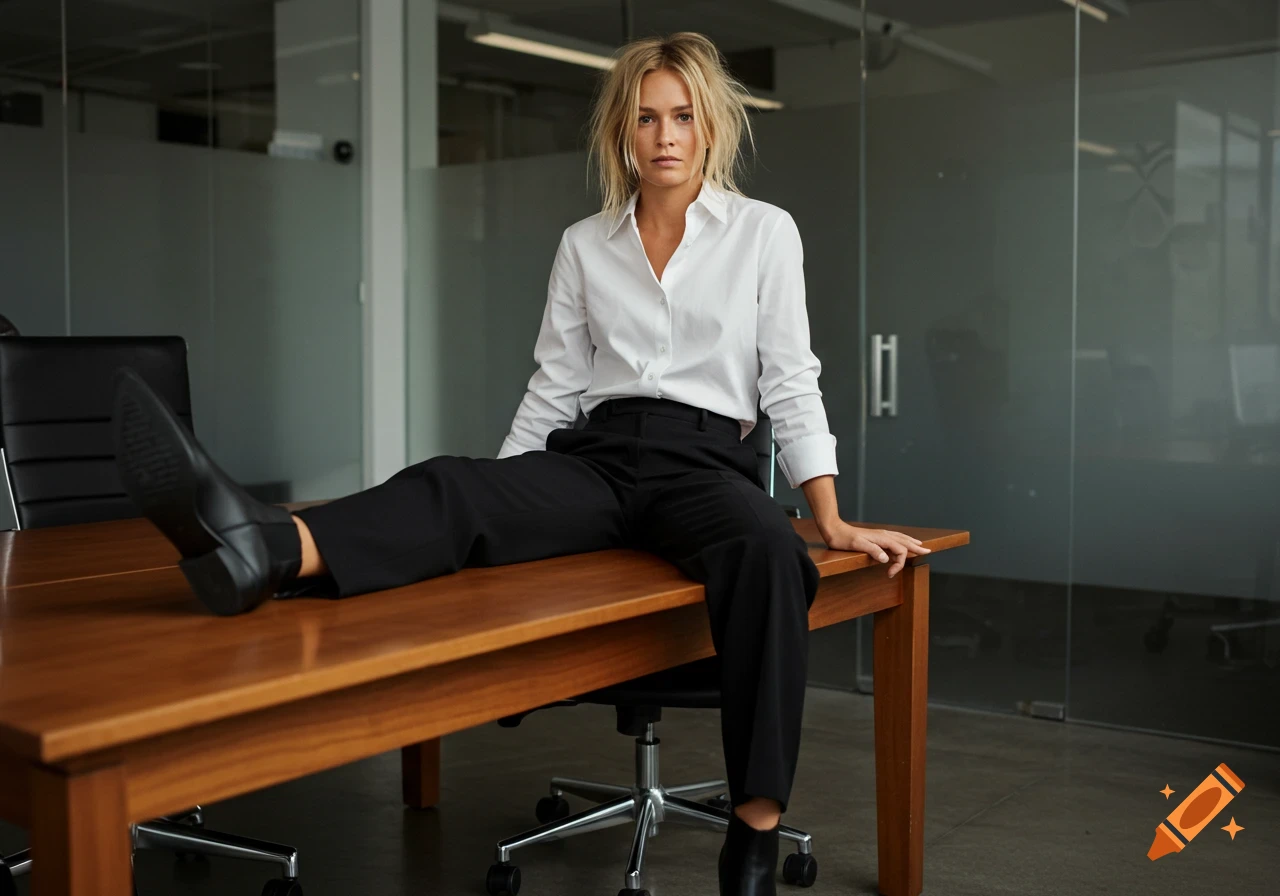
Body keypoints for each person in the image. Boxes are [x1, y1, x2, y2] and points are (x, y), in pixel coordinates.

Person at [111, 32, 929, 896]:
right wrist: (506, 497)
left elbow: (791, 381)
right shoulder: (585, 245)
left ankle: (754, 834)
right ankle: (266, 550)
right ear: (622, 131)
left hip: (704, 463)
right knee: (455, 485)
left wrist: (828, 514)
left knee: (770, 550)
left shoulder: (763, 234)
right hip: (599, 456)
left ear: (712, 127)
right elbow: (555, 390)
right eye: (646, 118)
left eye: (683, 117)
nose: (665, 136)